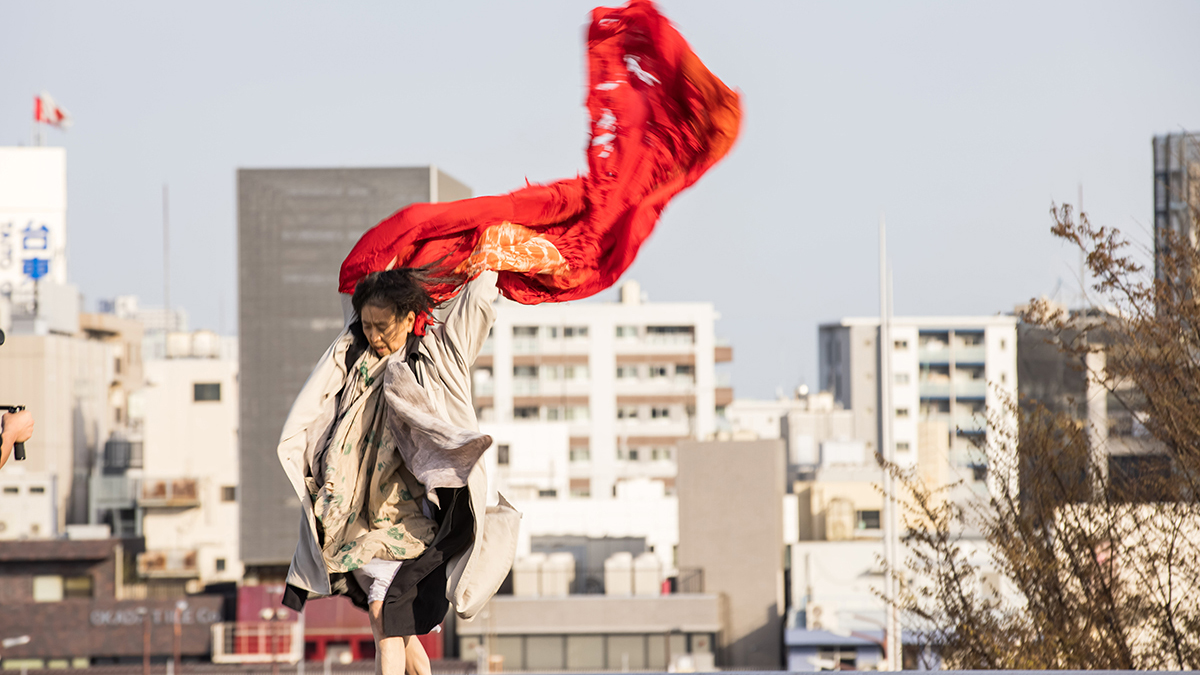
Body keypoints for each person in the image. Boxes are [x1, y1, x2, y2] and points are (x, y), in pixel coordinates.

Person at [279, 268, 518, 675]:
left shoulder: (438, 357)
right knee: (392, 623)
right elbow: (356, 284)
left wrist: (490, 261)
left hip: (412, 524)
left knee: (386, 615)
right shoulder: (355, 357)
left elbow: (476, 306)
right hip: (355, 519)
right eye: (367, 325)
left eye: (382, 326)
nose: (373, 335)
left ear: (409, 318)